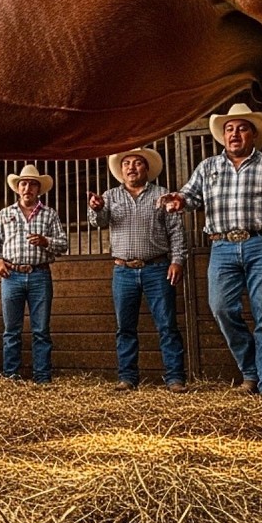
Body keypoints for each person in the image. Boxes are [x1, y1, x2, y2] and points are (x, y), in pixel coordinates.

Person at [161, 104, 262, 400]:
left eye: (241, 128)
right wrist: (177, 199)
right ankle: (251, 370)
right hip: (222, 246)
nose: (234, 134)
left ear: (254, 134)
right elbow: (190, 195)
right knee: (221, 308)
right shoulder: (207, 167)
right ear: (222, 136)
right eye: (229, 129)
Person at [87, 148, 188, 393]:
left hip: (157, 267)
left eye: (138, 163)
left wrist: (178, 261)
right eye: (127, 163)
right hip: (123, 270)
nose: (131, 167)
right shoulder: (109, 196)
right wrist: (97, 208)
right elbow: (97, 223)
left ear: (147, 169)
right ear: (121, 170)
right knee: (125, 327)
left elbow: (176, 231)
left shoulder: (162, 194)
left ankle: (175, 379)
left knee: (167, 325)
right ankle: (127, 378)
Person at [0, 165, 68, 384]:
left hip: (39, 275)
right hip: (11, 276)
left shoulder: (49, 214)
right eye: (23, 183)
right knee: (11, 330)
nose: (27, 188)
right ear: (17, 188)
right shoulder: (5, 213)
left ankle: (42, 377)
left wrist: (46, 241)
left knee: (41, 330)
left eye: (32, 184)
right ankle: (11, 377)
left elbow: (64, 244)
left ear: (38, 189)